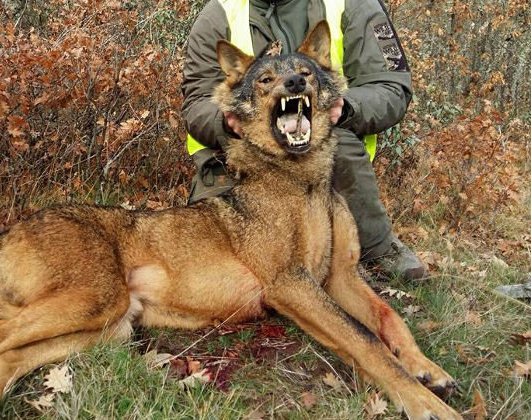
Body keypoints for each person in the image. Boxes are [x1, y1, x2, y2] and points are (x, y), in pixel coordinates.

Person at [181, 0, 427, 281]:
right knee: (216, 273)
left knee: (336, 146)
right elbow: (196, 102)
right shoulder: (220, 13)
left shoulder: (353, 4)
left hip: (332, 162)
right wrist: (226, 122)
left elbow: (392, 87)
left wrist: (345, 108)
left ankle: (377, 247)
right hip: (237, 159)